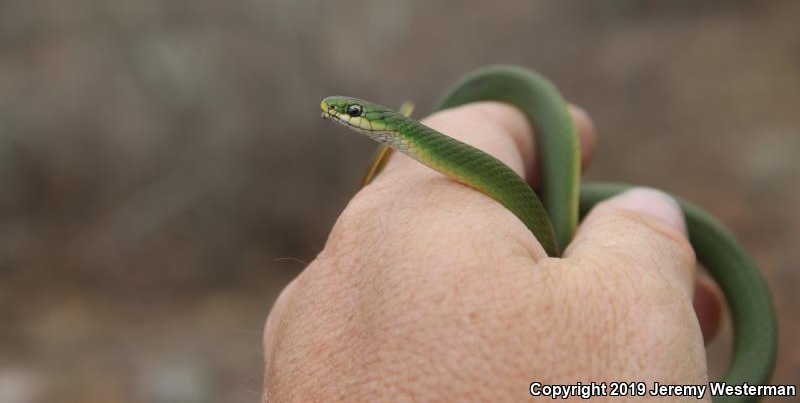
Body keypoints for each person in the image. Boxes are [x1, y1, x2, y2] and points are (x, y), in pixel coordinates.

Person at [263, 102, 722, 401]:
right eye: (347, 113)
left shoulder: (420, 138)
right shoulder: (418, 145)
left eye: (355, 112)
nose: (342, 115)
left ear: (387, 123)